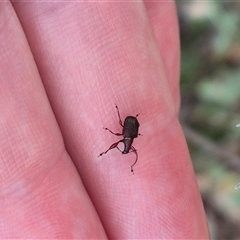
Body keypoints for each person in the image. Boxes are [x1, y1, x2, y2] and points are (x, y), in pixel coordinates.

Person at [0, 1, 209, 238]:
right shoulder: (128, 135)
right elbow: (124, 127)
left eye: (126, 146)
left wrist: (126, 158)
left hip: (130, 120)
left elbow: (124, 131)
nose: (126, 146)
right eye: (127, 146)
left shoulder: (128, 137)